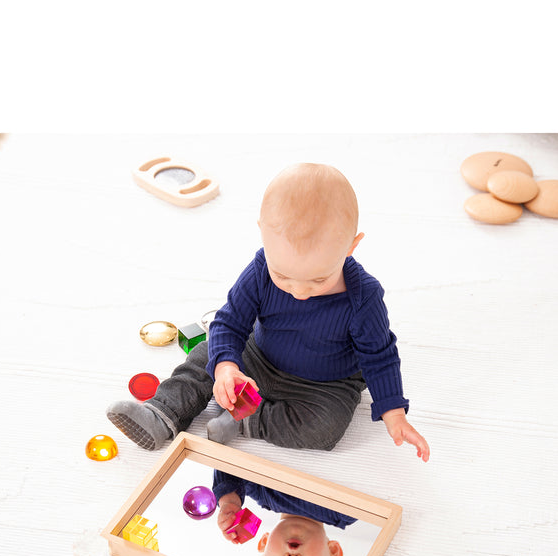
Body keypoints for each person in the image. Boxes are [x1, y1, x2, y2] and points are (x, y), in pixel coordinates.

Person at [107, 162, 430, 458]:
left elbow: (380, 356)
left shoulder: (364, 296)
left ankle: (249, 419)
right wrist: (227, 368)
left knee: (326, 428)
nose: (300, 291)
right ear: (262, 231)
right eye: (284, 276)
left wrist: (393, 412)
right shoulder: (262, 267)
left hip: (325, 385)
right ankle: (162, 412)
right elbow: (230, 322)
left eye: (319, 278)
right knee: (206, 354)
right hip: (259, 357)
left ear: (351, 246)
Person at [212, 470, 348, 556]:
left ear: (265, 542)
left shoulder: (263, 491)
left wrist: (229, 500)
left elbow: (228, 465)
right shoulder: (346, 511)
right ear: (333, 551)